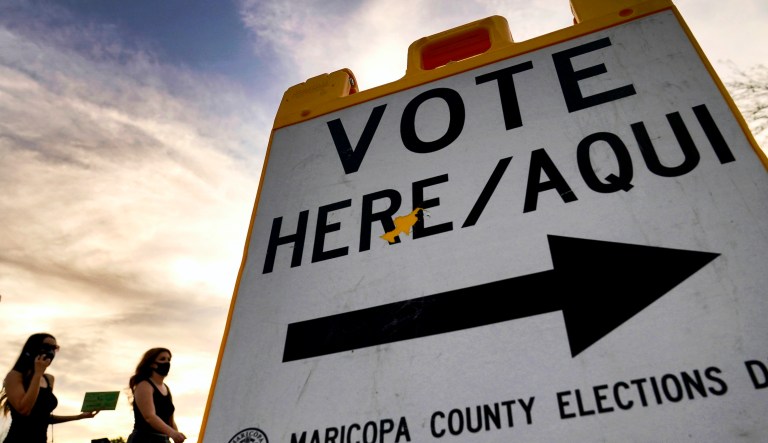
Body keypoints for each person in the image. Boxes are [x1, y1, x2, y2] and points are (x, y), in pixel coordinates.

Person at [0, 333, 98, 442]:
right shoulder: (14, 376)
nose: (50, 352)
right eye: (46, 347)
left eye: (54, 348)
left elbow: (43, 418)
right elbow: (24, 410)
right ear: (33, 349)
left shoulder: (49, 379)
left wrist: (79, 417)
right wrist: (37, 374)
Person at [128, 347, 186, 443]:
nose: (167, 363)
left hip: (163, 440)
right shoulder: (144, 385)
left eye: (168, 359)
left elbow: (170, 420)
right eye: (162, 359)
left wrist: (177, 435)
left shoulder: (166, 388)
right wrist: (172, 433)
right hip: (144, 439)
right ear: (152, 364)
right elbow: (149, 416)